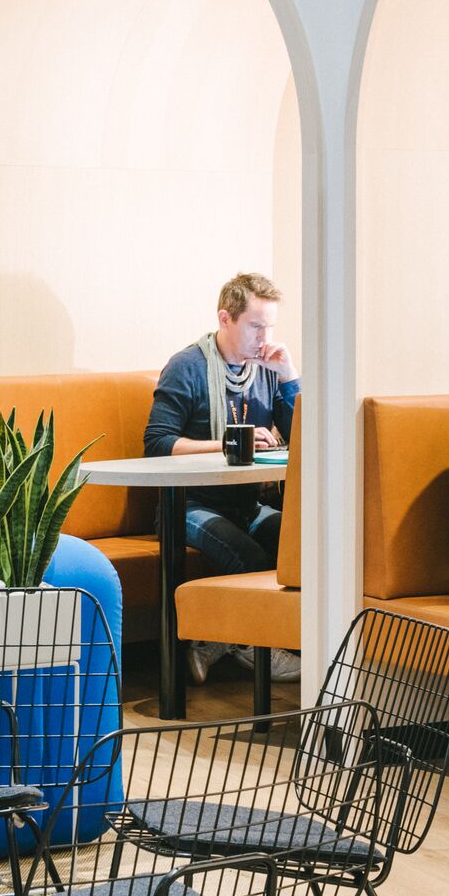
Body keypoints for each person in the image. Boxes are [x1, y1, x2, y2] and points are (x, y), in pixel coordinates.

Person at [146, 273, 300, 680]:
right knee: (248, 555)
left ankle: (212, 644)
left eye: (270, 327)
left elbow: (302, 438)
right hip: (188, 505)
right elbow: (157, 443)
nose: (264, 338)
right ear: (225, 319)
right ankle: (257, 648)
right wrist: (231, 442)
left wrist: (289, 376)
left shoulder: (266, 369)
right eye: (255, 326)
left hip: (246, 503)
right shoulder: (187, 367)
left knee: (300, 543)